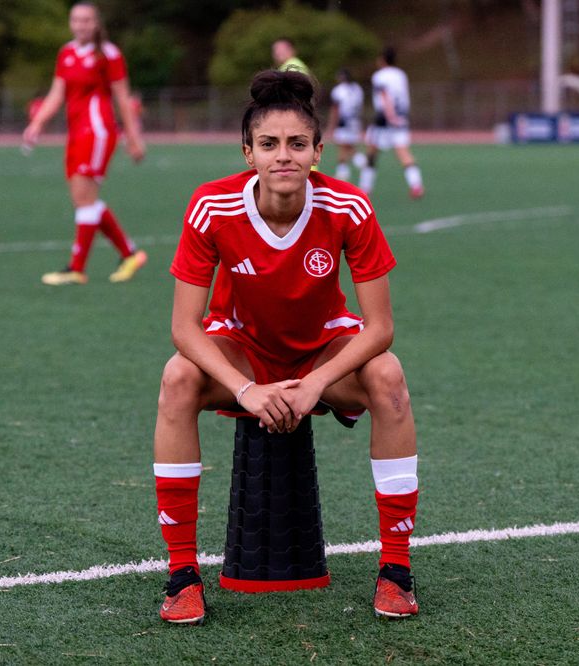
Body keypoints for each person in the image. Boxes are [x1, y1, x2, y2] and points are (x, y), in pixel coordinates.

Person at [154, 70, 420, 625]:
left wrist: (317, 384)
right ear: (247, 152)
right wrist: (245, 389)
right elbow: (185, 327)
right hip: (243, 356)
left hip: (323, 355)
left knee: (389, 375)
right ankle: (182, 576)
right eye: (269, 145)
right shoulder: (211, 205)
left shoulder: (349, 207)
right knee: (177, 377)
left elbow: (380, 327)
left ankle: (396, 570)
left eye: (298, 144)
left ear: (318, 151)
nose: (284, 157)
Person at [23, 1, 147, 286]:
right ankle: (130, 254)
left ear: (96, 23)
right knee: (84, 199)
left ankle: (77, 268)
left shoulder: (109, 54)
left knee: (84, 198)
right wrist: (37, 123)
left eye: (87, 20)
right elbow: (57, 93)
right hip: (76, 132)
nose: (81, 25)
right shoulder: (66, 53)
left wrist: (134, 139)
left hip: (98, 132)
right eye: (76, 20)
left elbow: (123, 99)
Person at [360, 47, 423, 199]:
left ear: (382, 59)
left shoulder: (380, 76)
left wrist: (390, 116)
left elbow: (385, 95)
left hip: (385, 118)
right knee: (403, 152)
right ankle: (416, 185)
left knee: (371, 153)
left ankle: (364, 188)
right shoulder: (401, 74)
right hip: (401, 117)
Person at [328, 68, 367, 182]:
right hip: (355, 121)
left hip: (344, 122)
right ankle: (353, 165)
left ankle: (344, 171)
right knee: (348, 145)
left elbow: (335, 109)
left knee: (342, 146)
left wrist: (332, 125)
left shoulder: (338, 90)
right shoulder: (357, 88)